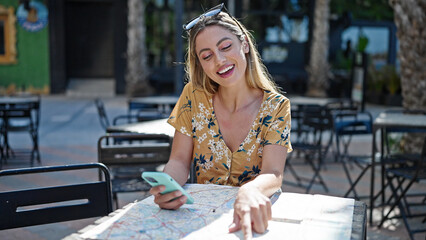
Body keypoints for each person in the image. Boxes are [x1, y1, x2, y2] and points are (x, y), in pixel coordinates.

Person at [149, 3, 292, 239]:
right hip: (201, 221)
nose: (219, 60)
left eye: (226, 46)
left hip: (253, 218)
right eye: (207, 56)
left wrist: (250, 190)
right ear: (201, 64)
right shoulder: (193, 97)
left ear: (244, 43)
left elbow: (274, 173)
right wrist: (168, 186)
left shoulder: (277, 106)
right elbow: (178, 161)